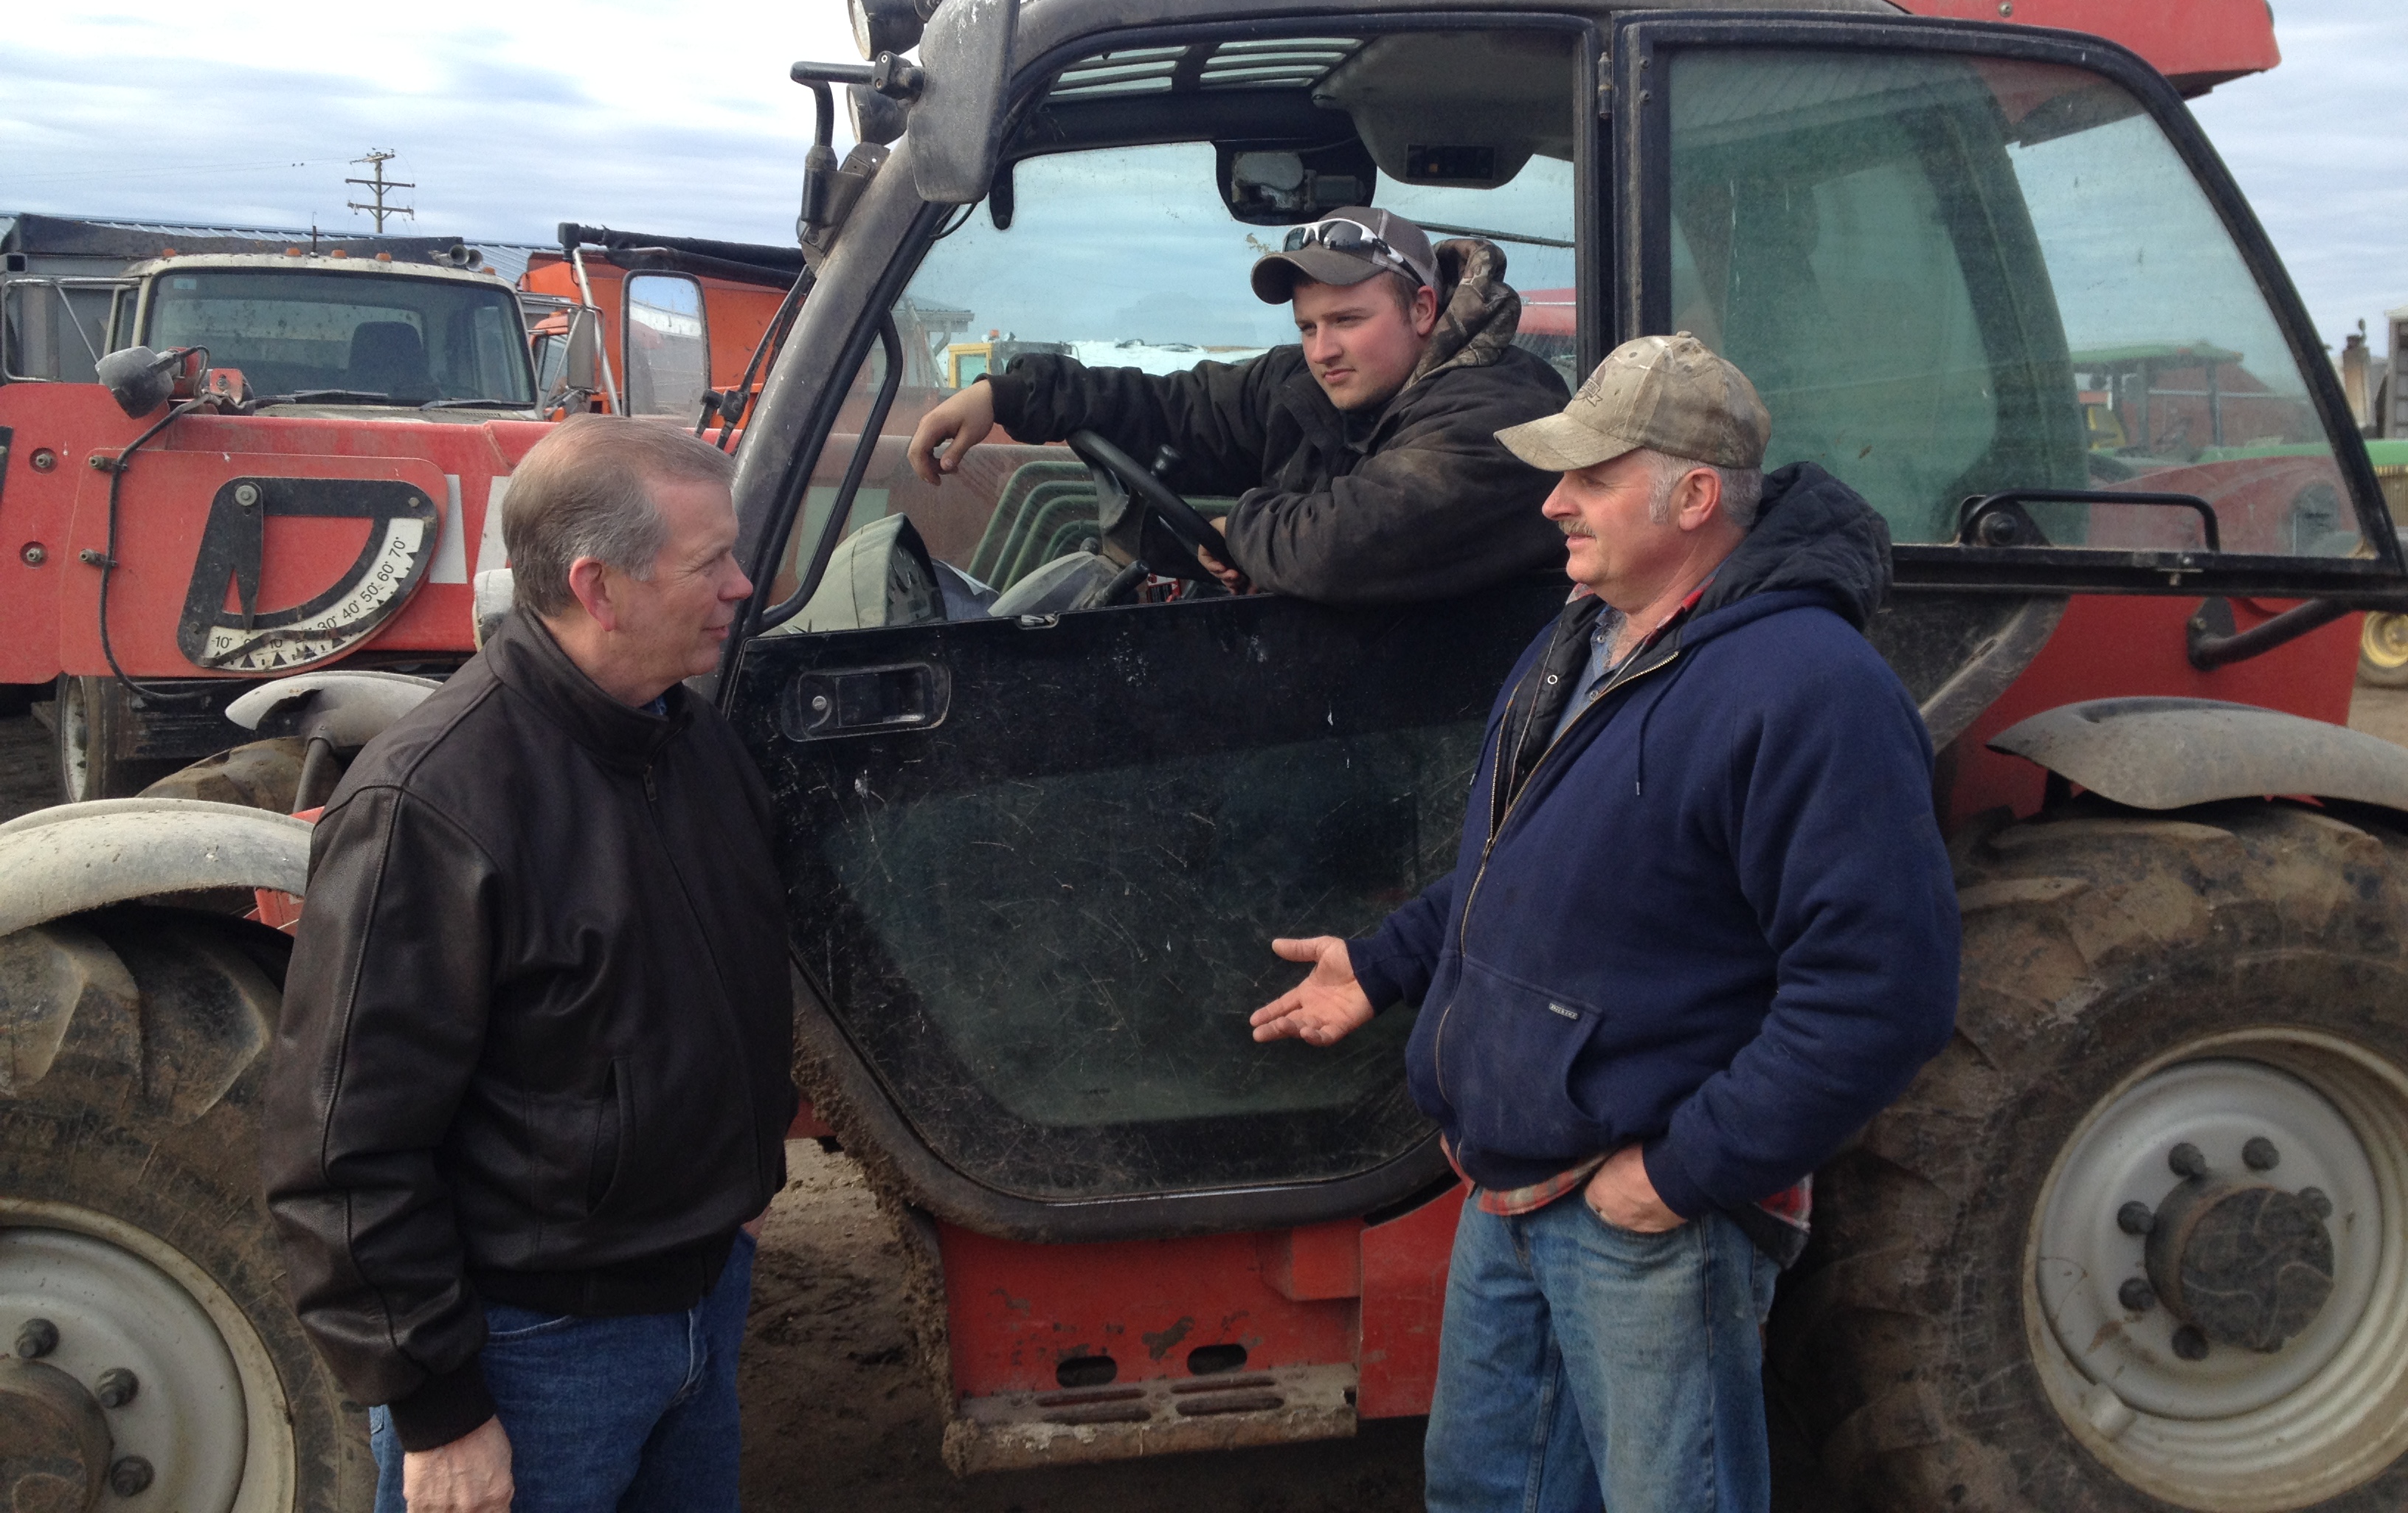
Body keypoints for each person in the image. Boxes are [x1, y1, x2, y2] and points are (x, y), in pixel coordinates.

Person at [1248, 333, 1959, 1513]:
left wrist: (1681, 1174)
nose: (1553, 501)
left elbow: (1883, 993)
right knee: (1486, 1494)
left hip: (1643, 1222)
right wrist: (1382, 965)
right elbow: (1520, 867)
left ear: (1692, 495)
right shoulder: (1578, 641)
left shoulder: (1807, 688)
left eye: (1590, 475)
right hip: (1510, 1193)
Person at [263, 416, 798, 1513]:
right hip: (539, 1347)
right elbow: (344, 1144)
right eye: (712, 564)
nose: (743, 586)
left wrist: (741, 1181)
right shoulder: (433, 802)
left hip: (702, 1294)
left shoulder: (688, 742)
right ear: (599, 587)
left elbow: (731, 977)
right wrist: (441, 1407)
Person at [904, 207, 1570, 602]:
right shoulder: (1314, 387)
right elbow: (1179, 408)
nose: (1322, 349)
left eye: (1346, 320)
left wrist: (1239, 535)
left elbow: (1359, 536)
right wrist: (1009, 395)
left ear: (1422, 309)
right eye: (1308, 327)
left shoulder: (1501, 412)